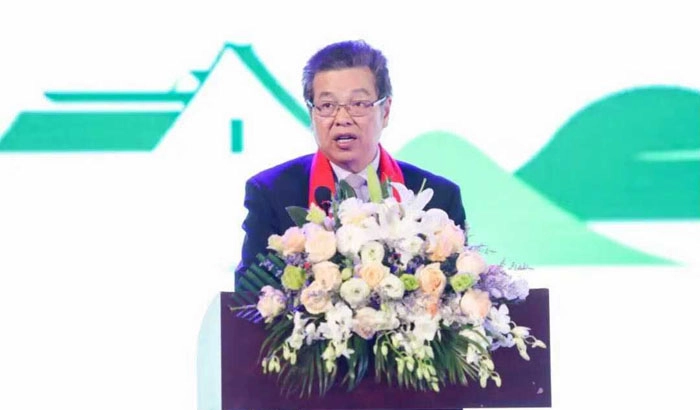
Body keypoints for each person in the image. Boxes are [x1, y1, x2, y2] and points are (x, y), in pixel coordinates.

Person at [235, 40, 466, 290]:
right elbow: (248, 298)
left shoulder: (439, 197)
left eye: (358, 104)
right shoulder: (271, 193)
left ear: (386, 111)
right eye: (327, 106)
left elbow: (458, 292)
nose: (342, 119)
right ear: (311, 114)